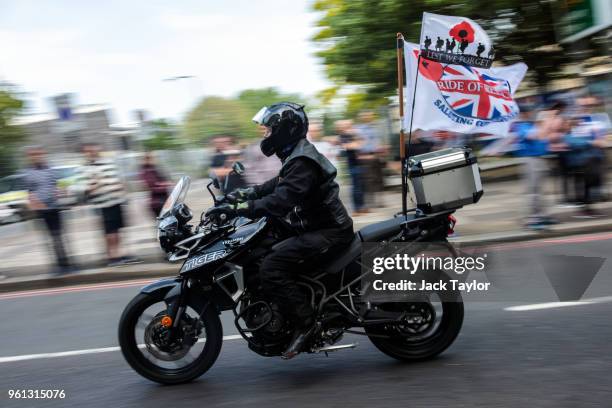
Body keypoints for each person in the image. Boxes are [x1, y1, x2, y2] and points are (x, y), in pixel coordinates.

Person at [207, 102, 354, 359]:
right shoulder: (296, 156)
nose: (265, 135)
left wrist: (241, 208)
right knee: (263, 248)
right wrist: (246, 193)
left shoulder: (303, 160)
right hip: (311, 225)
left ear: (284, 129)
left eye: (268, 130)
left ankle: (306, 323)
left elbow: (281, 200)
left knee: (271, 267)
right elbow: (277, 184)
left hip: (329, 231)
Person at [79, 142, 139, 266]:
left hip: (117, 201)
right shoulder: (84, 168)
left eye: (93, 149)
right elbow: (83, 189)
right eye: (88, 151)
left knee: (118, 230)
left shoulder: (109, 163)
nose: (92, 152)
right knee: (109, 232)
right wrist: (95, 184)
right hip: (102, 205)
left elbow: (118, 179)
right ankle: (111, 257)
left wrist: (123, 191)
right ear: (84, 153)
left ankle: (119, 254)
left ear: (98, 149)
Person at [21, 146, 72, 274]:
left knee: (59, 236)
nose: (36, 156)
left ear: (43, 154)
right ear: (29, 157)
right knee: (48, 238)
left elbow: (59, 185)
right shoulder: (27, 173)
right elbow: (29, 192)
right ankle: (57, 265)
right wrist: (35, 204)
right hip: (41, 210)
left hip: (55, 207)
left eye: (38, 154)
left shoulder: (51, 169)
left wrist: (62, 192)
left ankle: (65, 262)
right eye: (32, 154)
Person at [337, 119, 366, 214]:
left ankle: (362, 207)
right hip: (352, 164)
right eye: (347, 125)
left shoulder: (352, 135)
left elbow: (361, 144)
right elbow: (351, 146)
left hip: (358, 163)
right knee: (355, 187)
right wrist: (356, 143)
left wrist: (356, 142)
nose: (349, 126)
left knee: (360, 186)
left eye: (350, 125)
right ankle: (356, 209)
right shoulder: (343, 136)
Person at [139, 152, 170, 217]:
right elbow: (152, 185)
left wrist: (166, 183)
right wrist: (165, 185)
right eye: (152, 158)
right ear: (147, 159)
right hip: (158, 202)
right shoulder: (146, 171)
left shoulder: (153, 168)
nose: (155, 159)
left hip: (164, 199)